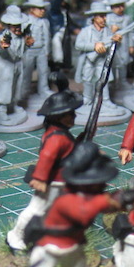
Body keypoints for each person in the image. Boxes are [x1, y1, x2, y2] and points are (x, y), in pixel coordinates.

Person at [13, 142, 121, 267]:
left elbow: (105, 206)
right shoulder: (67, 199)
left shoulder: (90, 197)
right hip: (48, 246)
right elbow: (83, 212)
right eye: (100, 181)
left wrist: (127, 201)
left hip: (73, 245)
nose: (104, 185)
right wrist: (108, 200)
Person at [6, 81, 81, 252]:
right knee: (36, 209)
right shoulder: (57, 137)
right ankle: (17, 236)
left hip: (61, 181)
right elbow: (47, 157)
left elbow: (66, 152)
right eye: (69, 114)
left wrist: (79, 141)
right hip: (53, 182)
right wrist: (40, 179)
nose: (73, 116)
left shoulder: (60, 133)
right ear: (57, 116)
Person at [19, 0, 52, 102]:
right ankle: (24, 91)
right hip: (29, 50)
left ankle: (43, 90)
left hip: (41, 50)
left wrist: (47, 50)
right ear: (32, 9)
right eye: (39, 9)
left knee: (43, 71)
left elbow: (47, 37)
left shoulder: (45, 22)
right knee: (27, 72)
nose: (42, 11)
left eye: (43, 9)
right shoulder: (25, 21)